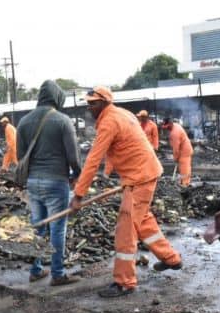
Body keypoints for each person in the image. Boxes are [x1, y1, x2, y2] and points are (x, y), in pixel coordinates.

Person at [70, 86, 182, 298]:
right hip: (143, 173)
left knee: (126, 228)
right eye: (88, 103)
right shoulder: (122, 114)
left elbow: (93, 159)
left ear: (105, 102)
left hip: (140, 178)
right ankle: (171, 259)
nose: (90, 107)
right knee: (143, 220)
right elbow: (118, 150)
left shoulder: (110, 121)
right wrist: (110, 173)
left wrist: (78, 195)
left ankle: (125, 282)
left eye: (93, 103)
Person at [17, 80, 82, 286]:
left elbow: (20, 156)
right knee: (57, 228)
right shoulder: (62, 120)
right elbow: (73, 157)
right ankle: (58, 273)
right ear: (58, 97)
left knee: (38, 227)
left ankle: (36, 270)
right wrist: (77, 175)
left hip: (33, 182)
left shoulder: (24, 121)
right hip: (56, 181)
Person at [162, 118, 194, 186]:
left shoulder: (174, 133)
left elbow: (176, 149)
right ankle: (183, 182)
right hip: (185, 149)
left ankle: (185, 185)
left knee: (185, 169)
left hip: (184, 151)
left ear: (170, 124)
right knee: (185, 168)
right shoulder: (176, 125)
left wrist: (175, 158)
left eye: (167, 127)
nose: (166, 129)